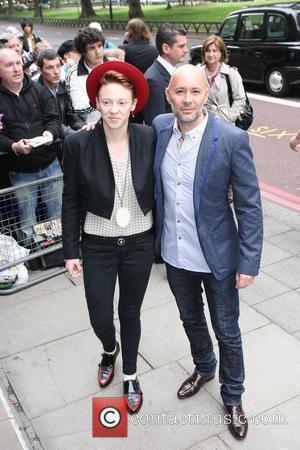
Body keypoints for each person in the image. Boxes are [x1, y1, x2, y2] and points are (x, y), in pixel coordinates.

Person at [152, 64, 263, 440]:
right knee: (191, 320)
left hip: (218, 257)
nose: (187, 99)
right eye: (180, 91)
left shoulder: (231, 139)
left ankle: (233, 397)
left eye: (195, 92)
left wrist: (249, 261)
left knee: (227, 331)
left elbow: (248, 205)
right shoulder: (158, 129)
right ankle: (204, 366)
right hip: (174, 253)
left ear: (206, 95)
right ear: (168, 94)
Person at [62, 61, 155, 414]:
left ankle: (130, 374)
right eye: (107, 102)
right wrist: (71, 249)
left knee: (130, 311)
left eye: (121, 102)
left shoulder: (149, 136)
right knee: (100, 315)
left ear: (133, 104)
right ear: (97, 104)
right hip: (97, 244)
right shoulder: (78, 143)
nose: (114, 110)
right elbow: (70, 200)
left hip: (139, 242)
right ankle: (109, 349)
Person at [0, 49, 62, 245]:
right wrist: (14, 146)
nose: (16, 69)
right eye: (9, 65)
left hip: (49, 163)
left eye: (18, 63)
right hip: (20, 170)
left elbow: (53, 119)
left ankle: (57, 250)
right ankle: (31, 252)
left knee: (56, 212)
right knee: (27, 216)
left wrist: (49, 134)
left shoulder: (39, 90)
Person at [143, 24, 188, 125]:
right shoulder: (153, 80)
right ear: (166, 48)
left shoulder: (168, 72)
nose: (186, 50)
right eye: (181, 46)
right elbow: (157, 124)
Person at [36, 49, 86, 138]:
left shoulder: (63, 85)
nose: (56, 71)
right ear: (40, 70)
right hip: (46, 143)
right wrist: (74, 134)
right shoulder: (34, 91)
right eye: (50, 67)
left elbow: (70, 115)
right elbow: (51, 122)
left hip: (62, 141)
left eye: (58, 66)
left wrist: (83, 127)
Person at [199, 35, 246, 125]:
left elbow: (240, 99)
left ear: (221, 53)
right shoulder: (197, 72)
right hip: (203, 123)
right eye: (207, 51)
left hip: (225, 123)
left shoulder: (231, 73)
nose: (210, 54)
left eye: (214, 51)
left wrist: (230, 117)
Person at [65, 27, 105, 123]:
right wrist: (100, 99)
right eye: (92, 48)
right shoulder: (73, 74)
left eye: (99, 46)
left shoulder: (115, 65)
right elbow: (79, 110)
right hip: (92, 127)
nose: (97, 51)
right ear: (83, 51)